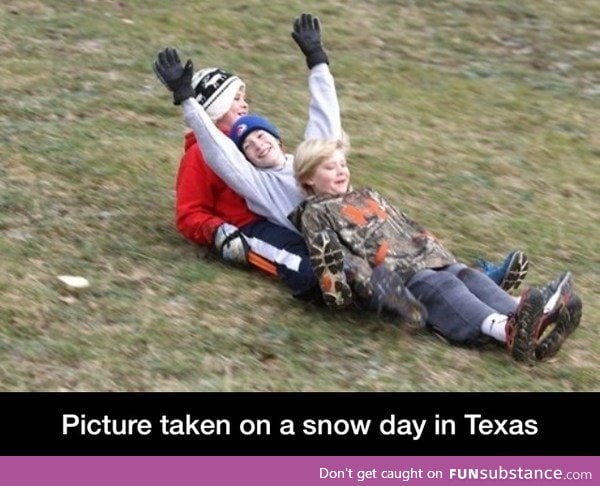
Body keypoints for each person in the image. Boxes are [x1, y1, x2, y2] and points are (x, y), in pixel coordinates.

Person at [287, 136, 582, 364]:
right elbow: (333, 257)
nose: (341, 170)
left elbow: (403, 223)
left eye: (342, 163)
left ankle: (527, 316)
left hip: (427, 256)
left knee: (467, 276)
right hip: (395, 275)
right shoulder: (314, 212)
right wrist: (368, 282)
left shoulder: (367, 194)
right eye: (330, 167)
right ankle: (505, 329)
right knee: (442, 286)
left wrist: (432, 246)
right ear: (308, 179)